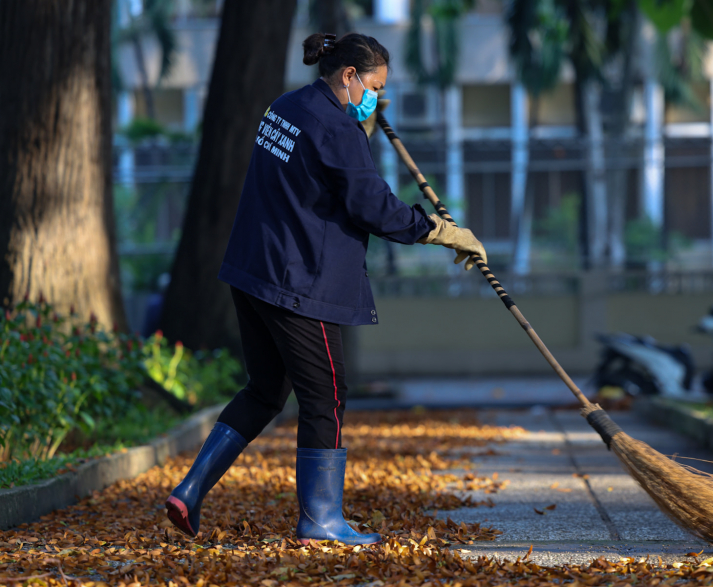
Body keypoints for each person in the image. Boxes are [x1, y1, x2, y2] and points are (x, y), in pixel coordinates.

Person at [164, 33, 486, 546]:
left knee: (265, 390)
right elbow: (372, 206)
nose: (377, 99)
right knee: (327, 396)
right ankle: (321, 520)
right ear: (350, 76)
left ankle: (189, 490)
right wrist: (441, 231)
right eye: (375, 87)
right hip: (299, 281)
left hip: (253, 272)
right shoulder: (339, 129)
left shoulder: (287, 107)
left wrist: (362, 130)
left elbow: (323, 176)